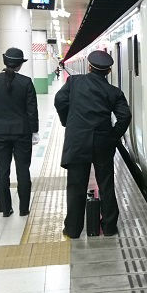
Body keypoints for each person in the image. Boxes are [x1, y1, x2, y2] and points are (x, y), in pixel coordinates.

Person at [54, 50, 131, 238]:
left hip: (78, 140)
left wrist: (68, 122)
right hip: (102, 142)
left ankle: (73, 229)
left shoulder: (74, 82)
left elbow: (59, 101)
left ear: (89, 66)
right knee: (106, 184)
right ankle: (110, 227)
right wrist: (113, 136)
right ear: (109, 70)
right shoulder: (114, 92)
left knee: (76, 186)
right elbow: (125, 116)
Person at [0, 47, 39, 217]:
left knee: (2, 171)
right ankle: (24, 208)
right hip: (22, 132)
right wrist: (34, 131)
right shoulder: (26, 82)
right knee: (23, 170)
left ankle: (5, 209)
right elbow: (32, 110)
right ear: (19, 65)